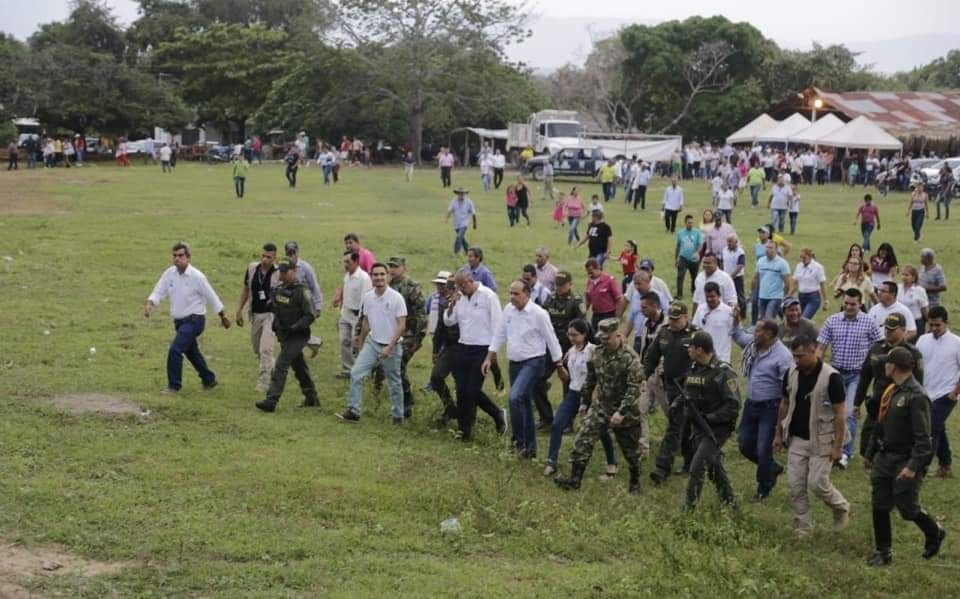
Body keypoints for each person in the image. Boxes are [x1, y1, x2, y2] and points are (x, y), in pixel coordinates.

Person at [864, 346, 946, 566]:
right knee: (879, 504)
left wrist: (912, 467)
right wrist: (870, 453)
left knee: (907, 507)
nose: (884, 367)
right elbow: (879, 424)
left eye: (887, 363)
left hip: (905, 459)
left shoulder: (917, 397)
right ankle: (883, 551)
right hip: (885, 456)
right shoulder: (892, 391)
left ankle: (934, 531)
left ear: (895, 366)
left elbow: (924, 439)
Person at [554, 319, 644, 494]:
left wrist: (621, 412)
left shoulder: (630, 358)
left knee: (630, 451)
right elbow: (591, 380)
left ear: (618, 335)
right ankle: (575, 479)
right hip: (602, 406)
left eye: (607, 338)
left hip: (625, 411)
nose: (604, 341)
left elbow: (634, 388)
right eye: (601, 338)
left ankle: (635, 482)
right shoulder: (597, 353)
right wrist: (584, 403)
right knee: (583, 438)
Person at [775, 335, 851, 537]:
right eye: (794, 356)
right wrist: (778, 433)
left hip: (823, 439)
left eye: (800, 356)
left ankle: (840, 506)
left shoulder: (832, 377)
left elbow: (840, 414)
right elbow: (784, 403)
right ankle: (803, 528)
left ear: (813, 351)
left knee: (817, 483)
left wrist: (838, 447)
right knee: (796, 484)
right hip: (798, 438)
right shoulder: (791, 373)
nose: (796, 360)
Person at [484, 280, 562, 457]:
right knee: (524, 402)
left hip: (533, 362)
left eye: (516, 294)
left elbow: (551, 339)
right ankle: (530, 448)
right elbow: (499, 333)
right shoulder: (508, 311)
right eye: (510, 293)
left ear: (527, 294)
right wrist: (490, 356)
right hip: (515, 362)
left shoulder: (538, 314)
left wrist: (559, 364)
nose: (512, 297)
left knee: (515, 398)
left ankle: (518, 443)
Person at [144, 242, 230, 393]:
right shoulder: (169, 273)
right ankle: (209, 379)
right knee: (192, 352)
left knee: (175, 350)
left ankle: (174, 386)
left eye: (181, 255)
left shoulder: (197, 277)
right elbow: (159, 291)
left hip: (194, 320)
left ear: (188, 258)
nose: (177, 259)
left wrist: (222, 316)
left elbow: (212, 296)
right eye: (175, 256)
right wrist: (150, 303)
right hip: (179, 322)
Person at [817, 288, 884, 467]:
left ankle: (845, 453)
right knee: (829, 411)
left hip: (856, 375)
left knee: (848, 414)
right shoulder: (832, 321)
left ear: (860, 304)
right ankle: (828, 446)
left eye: (852, 304)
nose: (848, 307)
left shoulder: (869, 322)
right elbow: (821, 347)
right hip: (835, 373)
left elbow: (880, 346)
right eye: (846, 303)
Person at [545, 320, 619, 477]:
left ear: (584, 334)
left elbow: (600, 376)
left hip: (592, 394)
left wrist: (594, 396)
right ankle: (551, 461)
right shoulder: (571, 351)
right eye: (569, 334)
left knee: (601, 429)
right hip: (573, 393)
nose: (571, 338)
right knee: (557, 424)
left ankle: (612, 463)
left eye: (575, 335)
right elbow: (567, 378)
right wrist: (559, 367)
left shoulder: (594, 351)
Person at [731, 316, 794, 501]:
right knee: (743, 443)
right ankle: (771, 467)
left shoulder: (783, 357)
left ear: (769, 334)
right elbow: (738, 336)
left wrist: (783, 422)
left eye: (758, 330)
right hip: (751, 404)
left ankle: (763, 489)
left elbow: (789, 389)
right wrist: (736, 321)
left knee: (763, 449)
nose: (754, 333)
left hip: (770, 407)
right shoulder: (754, 345)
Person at [338, 263, 407, 424]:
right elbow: (366, 322)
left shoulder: (396, 298)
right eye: (375, 275)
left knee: (393, 380)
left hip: (392, 345)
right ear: (371, 277)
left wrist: (390, 346)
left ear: (388, 276)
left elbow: (402, 325)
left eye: (382, 274)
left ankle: (398, 415)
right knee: (356, 373)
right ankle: (354, 410)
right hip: (373, 342)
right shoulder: (368, 297)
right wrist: (361, 344)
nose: (379, 278)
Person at [444, 270, 507, 440]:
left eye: (463, 286)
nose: (461, 290)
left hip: (483, 348)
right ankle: (464, 429)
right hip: (464, 346)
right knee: (461, 390)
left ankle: (497, 413)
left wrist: (492, 353)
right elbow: (449, 321)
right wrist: (451, 305)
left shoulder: (488, 296)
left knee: (472, 390)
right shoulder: (461, 299)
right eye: (458, 287)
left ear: (471, 281)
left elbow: (498, 325)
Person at [681, 330, 741, 509]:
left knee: (697, 467)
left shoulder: (723, 372)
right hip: (697, 427)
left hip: (717, 429)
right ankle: (730, 503)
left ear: (699, 350)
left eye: (690, 348)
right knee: (713, 465)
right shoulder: (694, 368)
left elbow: (733, 405)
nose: (688, 351)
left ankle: (687, 511)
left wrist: (710, 418)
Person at [854, 313, 924, 463]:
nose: (888, 332)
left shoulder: (912, 353)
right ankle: (869, 461)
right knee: (867, 438)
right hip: (877, 402)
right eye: (886, 328)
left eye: (892, 329)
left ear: (904, 330)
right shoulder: (876, 349)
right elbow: (865, 377)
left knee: (893, 439)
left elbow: (918, 383)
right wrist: (856, 403)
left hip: (899, 404)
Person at [254, 258, 319, 412]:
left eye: (285, 272)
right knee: (299, 367)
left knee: (281, 364)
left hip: (298, 336)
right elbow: (276, 309)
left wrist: (295, 327)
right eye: (281, 272)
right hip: (284, 335)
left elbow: (310, 315)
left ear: (294, 271)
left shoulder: (302, 291)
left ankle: (271, 400)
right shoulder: (279, 289)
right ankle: (311, 397)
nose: (282, 275)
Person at [647, 303, 699, 484]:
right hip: (670, 385)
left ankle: (662, 468)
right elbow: (652, 357)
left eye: (677, 319)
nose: (673, 322)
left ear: (686, 317)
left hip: (690, 388)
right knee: (682, 426)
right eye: (671, 318)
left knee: (674, 427)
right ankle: (690, 462)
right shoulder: (664, 333)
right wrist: (642, 377)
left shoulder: (696, 335)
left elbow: (705, 361)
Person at [916, 306, 960, 479]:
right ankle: (946, 465)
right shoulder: (923, 340)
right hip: (925, 393)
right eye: (931, 325)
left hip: (946, 394)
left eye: (938, 325)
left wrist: (955, 392)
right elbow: (916, 365)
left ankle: (921, 468)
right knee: (938, 428)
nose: (934, 329)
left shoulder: (956, 343)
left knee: (930, 429)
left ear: (946, 323)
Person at [625, 290, 668, 455]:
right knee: (639, 409)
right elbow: (643, 349)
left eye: (644, 307)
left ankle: (681, 439)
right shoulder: (645, 324)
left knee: (670, 411)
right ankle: (643, 448)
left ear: (654, 306)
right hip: (647, 374)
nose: (641, 310)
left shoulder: (667, 325)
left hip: (662, 376)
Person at [384, 257, 426, 418]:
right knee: (389, 367)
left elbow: (421, 314)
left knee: (398, 365)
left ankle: (406, 401)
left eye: (396, 267)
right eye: (391, 267)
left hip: (409, 334)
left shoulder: (411, 287)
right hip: (390, 333)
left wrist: (417, 339)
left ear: (404, 268)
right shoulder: (387, 286)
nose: (393, 270)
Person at [236, 242, 280, 392]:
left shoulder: (278, 273)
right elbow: (246, 289)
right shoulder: (252, 268)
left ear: (274, 258)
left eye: (269, 257)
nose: (265, 260)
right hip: (255, 314)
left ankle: (264, 382)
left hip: (271, 315)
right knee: (257, 349)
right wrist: (239, 310)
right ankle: (274, 369)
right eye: (263, 256)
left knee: (265, 349)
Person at [332, 250, 372, 379]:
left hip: (357, 316)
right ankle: (347, 369)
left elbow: (364, 301)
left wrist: (361, 323)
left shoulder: (364, 278)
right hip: (346, 313)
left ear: (356, 261)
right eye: (344, 261)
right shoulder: (347, 276)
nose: (345, 264)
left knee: (358, 344)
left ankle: (361, 371)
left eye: (348, 262)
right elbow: (346, 293)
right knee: (344, 341)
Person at [427, 272, 459, 425]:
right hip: (449, 347)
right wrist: (435, 350)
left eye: (452, 289)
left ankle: (466, 416)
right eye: (448, 289)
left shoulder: (467, 304)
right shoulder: (443, 304)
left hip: (467, 348)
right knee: (436, 377)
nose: (448, 292)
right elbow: (439, 328)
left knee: (463, 385)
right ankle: (450, 408)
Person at [283, 242, 324, 356]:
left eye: (293, 253)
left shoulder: (306, 267)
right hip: (290, 304)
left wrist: (318, 307)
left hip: (305, 305)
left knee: (298, 329)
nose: (291, 256)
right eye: (289, 253)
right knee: (295, 330)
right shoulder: (284, 266)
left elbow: (314, 287)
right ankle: (314, 343)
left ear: (297, 252)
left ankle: (297, 351)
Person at [692, 283, 735, 363]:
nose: (709, 299)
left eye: (712, 296)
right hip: (703, 358)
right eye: (707, 297)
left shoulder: (728, 311)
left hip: (721, 359)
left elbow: (736, 331)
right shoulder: (701, 309)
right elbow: (695, 329)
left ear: (719, 296)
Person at [753, 240, 791, 321]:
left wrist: (784, 296)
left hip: (775, 297)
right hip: (762, 296)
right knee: (761, 320)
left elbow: (787, 283)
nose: (768, 249)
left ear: (776, 250)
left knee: (768, 319)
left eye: (771, 248)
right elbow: (755, 278)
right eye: (766, 247)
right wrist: (752, 292)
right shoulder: (760, 261)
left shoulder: (782, 263)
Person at [584, 258, 624, 331]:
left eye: (591, 272)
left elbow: (619, 298)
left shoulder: (609, 280)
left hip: (608, 315)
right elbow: (588, 299)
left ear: (598, 268)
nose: (590, 275)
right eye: (588, 273)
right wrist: (582, 312)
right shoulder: (590, 281)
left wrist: (617, 317)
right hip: (596, 315)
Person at [791, 248, 828, 319]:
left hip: (813, 298)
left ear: (810, 256)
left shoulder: (818, 267)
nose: (802, 260)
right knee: (798, 319)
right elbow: (795, 283)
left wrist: (825, 300)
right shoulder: (799, 266)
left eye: (804, 257)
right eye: (801, 257)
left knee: (804, 318)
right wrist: (789, 295)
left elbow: (822, 284)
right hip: (801, 297)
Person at [675, 214, 702, 300]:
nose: (690, 224)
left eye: (692, 223)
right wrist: (676, 258)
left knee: (694, 277)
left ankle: (694, 292)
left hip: (694, 259)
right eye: (689, 223)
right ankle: (679, 294)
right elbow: (678, 246)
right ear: (685, 223)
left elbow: (700, 244)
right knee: (680, 276)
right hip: (683, 258)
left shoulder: (697, 232)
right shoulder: (680, 233)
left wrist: (697, 253)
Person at [898, 265, 929, 335]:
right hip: (901, 323)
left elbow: (924, 309)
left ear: (913, 278)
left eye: (906, 275)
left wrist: (930, 322)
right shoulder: (897, 288)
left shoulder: (919, 290)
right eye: (902, 274)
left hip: (916, 322)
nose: (904, 277)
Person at [446, 188, 477, 257]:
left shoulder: (469, 202)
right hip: (456, 223)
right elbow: (450, 210)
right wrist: (447, 218)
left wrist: (475, 224)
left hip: (464, 223)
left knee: (459, 237)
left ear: (465, 194)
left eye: (463, 193)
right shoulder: (454, 201)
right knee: (462, 239)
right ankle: (468, 251)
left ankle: (456, 253)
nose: (462, 195)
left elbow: (473, 213)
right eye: (460, 193)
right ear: (457, 194)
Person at [722, 235, 747, 318]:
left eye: (730, 241)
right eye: (728, 241)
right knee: (726, 295)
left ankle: (742, 314)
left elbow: (740, 265)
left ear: (736, 242)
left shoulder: (740, 252)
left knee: (739, 296)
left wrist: (732, 276)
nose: (728, 243)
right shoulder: (724, 250)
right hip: (726, 277)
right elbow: (722, 262)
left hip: (737, 277)